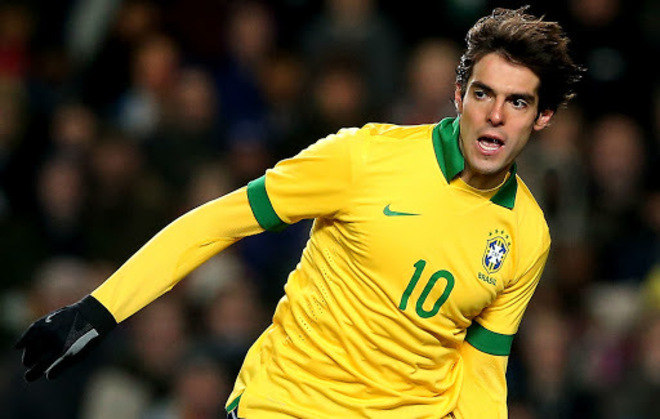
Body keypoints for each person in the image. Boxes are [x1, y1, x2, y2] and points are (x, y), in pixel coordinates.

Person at [15, 7, 583, 418]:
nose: (495, 115)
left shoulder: (527, 233)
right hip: (286, 405)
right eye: (483, 94)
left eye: (517, 102)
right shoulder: (362, 157)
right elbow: (218, 221)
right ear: (458, 96)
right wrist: (99, 309)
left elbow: (482, 368)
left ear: (543, 118)